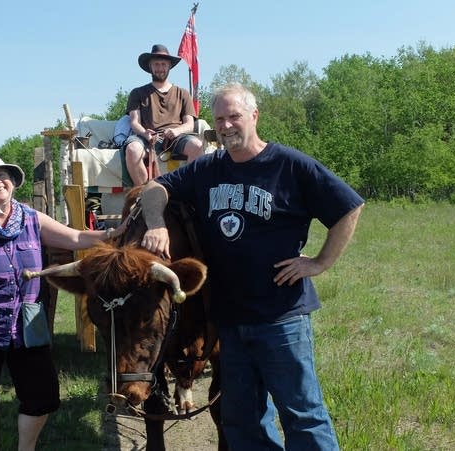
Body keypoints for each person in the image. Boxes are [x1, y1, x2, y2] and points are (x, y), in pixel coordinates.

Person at [138, 83, 364, 450]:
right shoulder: (206, 169)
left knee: (303, 415)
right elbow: (153, 189)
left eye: (235, 116)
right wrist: (156, 223)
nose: (227, 125)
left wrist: (321, 262)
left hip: (282, 318)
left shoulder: (290, 166)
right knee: (242, 419)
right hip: (229, 321)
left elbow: (348, 206)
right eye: (220, 119)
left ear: (254, 116)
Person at [0, 153, 122, 451]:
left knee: (42, 396)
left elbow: (75, 238)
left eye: (3, 176)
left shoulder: (32, 219)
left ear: (12, 183)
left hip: (27, 327)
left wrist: (115, 233)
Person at [123, 44, 204, 186]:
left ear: (169, 66)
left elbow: (189, 124)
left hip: (175, 138)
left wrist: (176, 131)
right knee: (132, 149)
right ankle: (145, 193)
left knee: (197, 146)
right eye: (156, 64)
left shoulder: (183, 93)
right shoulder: (137, 93)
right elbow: (134, 122)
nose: (160, 68)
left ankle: (186, 191)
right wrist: (145, 133)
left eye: (163, 64)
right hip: (148, 138)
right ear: (150, 66)